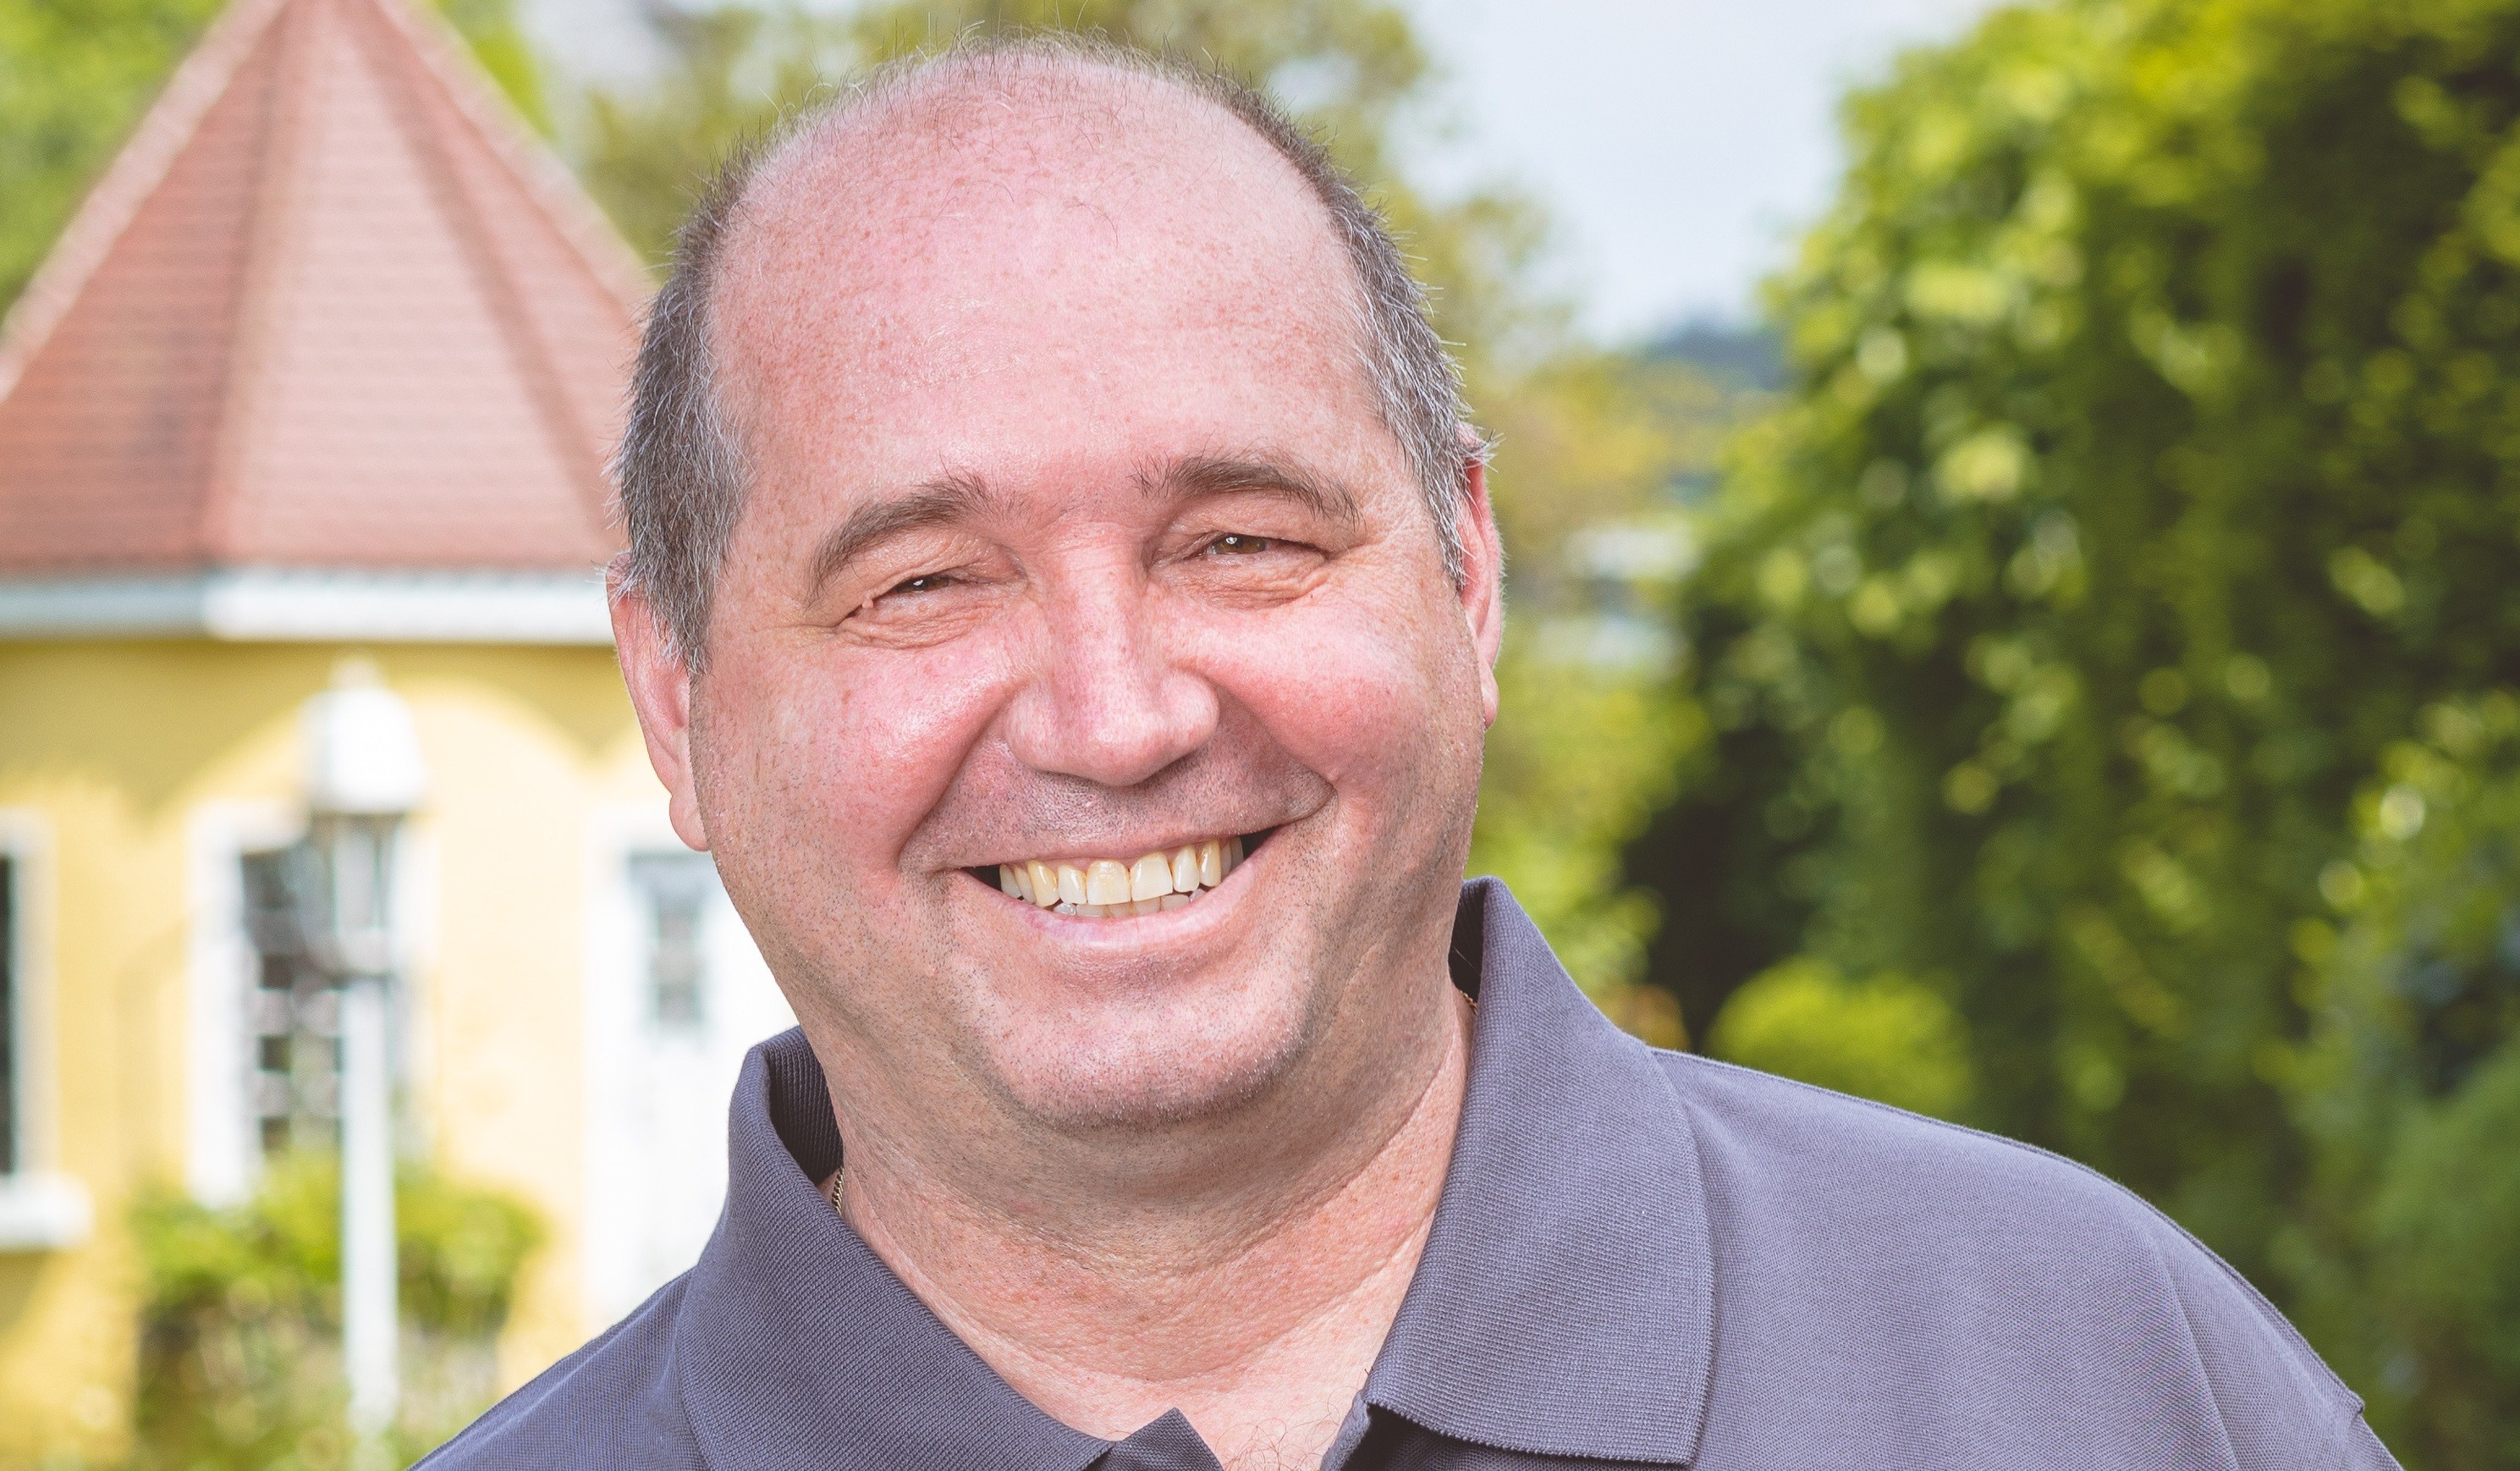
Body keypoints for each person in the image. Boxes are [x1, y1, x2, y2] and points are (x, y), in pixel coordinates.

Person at [421, 36, 2398, 1471]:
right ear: (676, 697)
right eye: (925, 583)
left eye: (1241, 542)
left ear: (1466, 573)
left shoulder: (2093, 1378)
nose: (1115, 717)